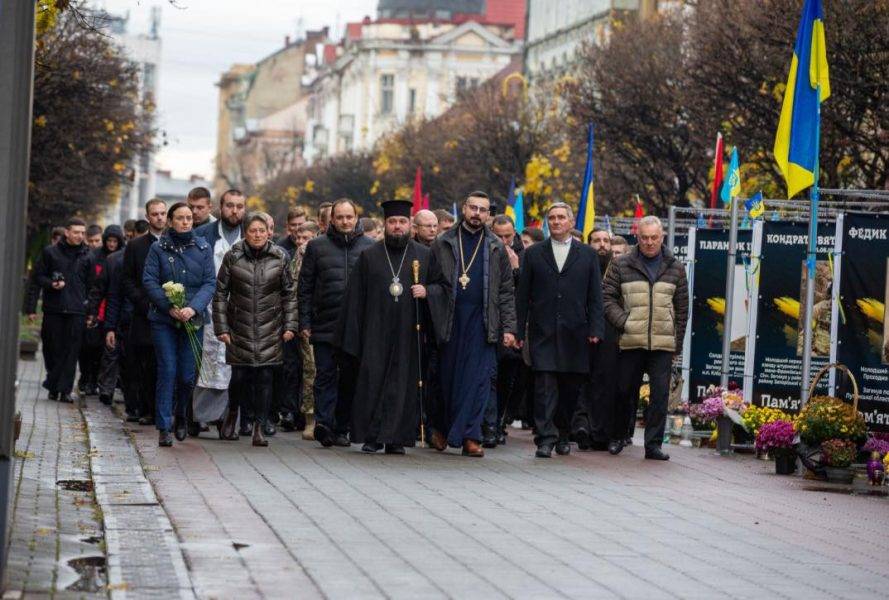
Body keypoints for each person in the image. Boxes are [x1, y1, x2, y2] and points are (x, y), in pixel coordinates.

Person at [423, 191, 517, 457]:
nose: (477, 213)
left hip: (483, 319)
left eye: (483, 210)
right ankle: (441, 429)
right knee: (447, 377)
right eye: (473, 208)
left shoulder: (496, 246)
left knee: (477, 380)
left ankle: (470, 436)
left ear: (488, 214)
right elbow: (431, 281)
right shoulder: (443, 242)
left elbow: (507, 291)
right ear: (464, 209)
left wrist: (509, 328)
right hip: (450, 318)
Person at [338, 199, 431, 454]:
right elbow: (355, 299)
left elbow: (440, 290)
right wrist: (354, 338)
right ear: (385, 225)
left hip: (408, 333)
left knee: (403, 385)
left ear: (410, 225)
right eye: (392, 222)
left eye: (402, 222)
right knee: (372, 382)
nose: (397, 227)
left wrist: (428, 292)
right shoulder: (369, 256)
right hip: (374, 333)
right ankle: (372, 436)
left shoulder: (424, 255)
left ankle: (397, 439)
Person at [516, 203, 604, 458]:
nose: (556, 222)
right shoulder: (534, 254)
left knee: (570, 388)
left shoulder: (587, 255)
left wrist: (596, 328)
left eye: (561, 217)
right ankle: (545, 438)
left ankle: (563, 432)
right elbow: (523, 297)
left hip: (576, 333)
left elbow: (595, 296)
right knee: (543, 387)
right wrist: (518, 332)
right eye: (551, 218)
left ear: (571, 221)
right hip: (543, 331)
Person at [603, 215, 688, 461]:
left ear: (662, 237)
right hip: (631, 341)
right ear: (637, 237)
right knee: (623, 392)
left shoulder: (676, 267)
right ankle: (619, 436)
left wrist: (677, 344)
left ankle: (653, 445)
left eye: (654, 237)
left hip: (662, 343)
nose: (650, 242)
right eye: (645, 238)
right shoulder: (622, 264)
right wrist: (625, 322)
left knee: (660, 396)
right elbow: (606, 298)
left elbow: (682, 309)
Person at [213, 213, 298, 447]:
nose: (258, 235)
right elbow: (220, 294)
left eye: (262, 230)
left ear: (269, 232)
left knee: (264, 378)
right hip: (239, 326)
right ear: (245, 232)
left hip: (270, 327)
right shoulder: (233, 257)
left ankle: (259, 426)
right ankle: (233, 414)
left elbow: (289, 294)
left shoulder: (280, 256)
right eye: (253, 230)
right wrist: (221, 327)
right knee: (239, 377)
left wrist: (291, 325)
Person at [299, 198, 374, 447]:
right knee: (325, 376)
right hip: (325, 323)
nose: (344, 221)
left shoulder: (369, 247)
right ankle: (323, 424)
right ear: (332, 219)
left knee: (349, 378)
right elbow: (306, 288)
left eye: (348, 217)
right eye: (339, 217)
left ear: (356, 218)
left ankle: (342, 427)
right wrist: (305, 322)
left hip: (356, 327)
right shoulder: (317, 247)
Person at [143, 202, 216, 447]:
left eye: (189, 218)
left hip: (193, 320)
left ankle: (182, 414)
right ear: (171, 220)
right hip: (164, 319)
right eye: (180, 218)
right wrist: (169, 306)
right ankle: (164, 426)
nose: (186, 222)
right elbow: (150, 280)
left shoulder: (203, 247)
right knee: (168, 370)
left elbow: (209, 283)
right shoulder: (158, 248)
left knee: (186, 376)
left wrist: (192, 307)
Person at [193, 189, 248, 435]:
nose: (234, 211)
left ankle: (230, 419)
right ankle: (196, 416)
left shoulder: (251, 235)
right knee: (205, 363)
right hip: (208, 309)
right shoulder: (203, 235)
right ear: (220, 208)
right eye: (229, 206)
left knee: (235, 368)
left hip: (242, 312)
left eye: (239, 206)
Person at [32, 218, 90, 403]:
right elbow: (38, 276)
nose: (79, 236)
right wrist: (51, 284)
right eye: (76, 232)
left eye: (82, 232)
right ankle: (53, 383)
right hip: (54, 309)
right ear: (67, 232)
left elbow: (92, 284)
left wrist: (90, 309)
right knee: (52, 349)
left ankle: (64, 390)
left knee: (71, 352)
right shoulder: (51, 252)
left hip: (77, 310)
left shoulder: (87, 255)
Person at [571, 228, 617, 450]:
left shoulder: (618, 268)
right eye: (597, 240)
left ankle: (599, 431)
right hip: (580, 329)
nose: (602, 245)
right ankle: (580, 425)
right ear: (588, 244)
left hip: (609, 332)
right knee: (579, 380)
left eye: (606, 241)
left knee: (602, 381)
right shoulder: (579, 264)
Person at [122, 199, 167, 425]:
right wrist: (143, 302)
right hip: (145, 315)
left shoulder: (175, 242)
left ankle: (165, 411)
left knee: (166, 365)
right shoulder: (135, 246)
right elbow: (128, 280)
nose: (160, 217)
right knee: (146, 366)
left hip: (170, 314)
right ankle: (148, 409)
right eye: (155, 214)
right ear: (148, 217)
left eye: (163, 213)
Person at [484, 215, 525, 447]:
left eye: (508, 236)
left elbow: (522, 293)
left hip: (512, 327)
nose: (503, 240)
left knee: (507, 377)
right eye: (498, 236)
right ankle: (488, 423)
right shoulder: (487, 249)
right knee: (489, 376)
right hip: (490, 324)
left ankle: (499, 422)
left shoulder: (523, 254)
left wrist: (516, 268)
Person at [84, 225, 126, 403]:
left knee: (114, 351)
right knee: (105, 349)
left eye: (115, 241)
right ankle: (104, 387)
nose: (111, 244)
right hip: (106, 309)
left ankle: (108, 386)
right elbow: (98, 288)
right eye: (109, 240)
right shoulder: (102, 258)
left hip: (121, 309)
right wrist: (92, 312)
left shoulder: (124, 257)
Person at [291, 221, 320, 439]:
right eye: (299, 238)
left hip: (325, 319)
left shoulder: (321, 254)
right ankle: (310, 418)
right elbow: (292, 292)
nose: (302, 243)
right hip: (304, 322)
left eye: (307, 238)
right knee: (309, 371)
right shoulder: (296, 259)